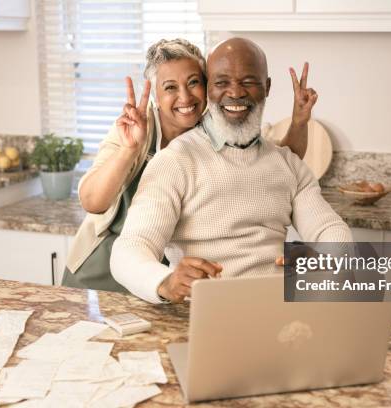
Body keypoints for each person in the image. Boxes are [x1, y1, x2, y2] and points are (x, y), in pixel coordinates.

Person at [62, 38, 318, 292]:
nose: (185, 97)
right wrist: (130, 149)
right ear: (155, 94)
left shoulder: (219, 127)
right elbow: (93, 202)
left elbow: (279, 165)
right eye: (170, 87)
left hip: (163, 271)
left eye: (193, 83)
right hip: (102, 268)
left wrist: (298, 122)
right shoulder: (135, 129)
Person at [110, 38, 352, 304]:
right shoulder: (175, 161)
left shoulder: (287, 164)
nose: (236, 93)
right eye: (222, 82)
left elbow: (331, 229)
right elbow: (128, 250)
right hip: (205, 316)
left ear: (267, 87)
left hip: (279, 314)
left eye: (248, 81)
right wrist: (164, 282)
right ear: (208, 89)